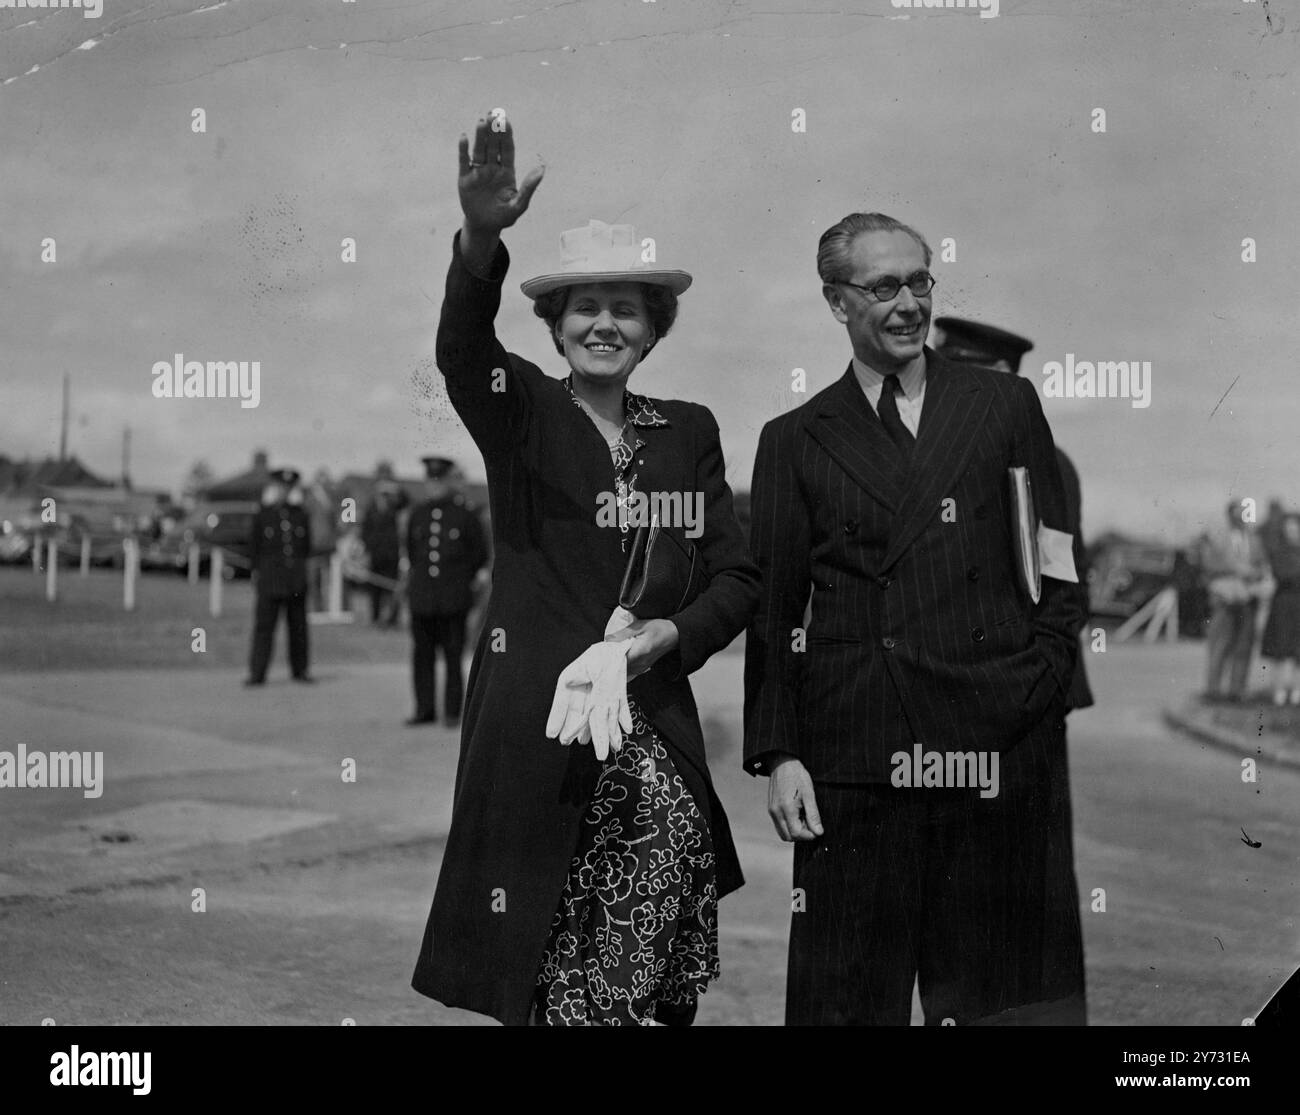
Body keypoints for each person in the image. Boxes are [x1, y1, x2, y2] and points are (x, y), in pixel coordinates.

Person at [410, 112, 760, 1026]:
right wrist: (482, 235)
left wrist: (665, 639)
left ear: (654, 327)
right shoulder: (520, 408)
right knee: (543, 947)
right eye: (585, 306)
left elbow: (738, 578)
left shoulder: (689, 430)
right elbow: (460, 349)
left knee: (649, 930)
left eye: (627, 306)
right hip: (540, 723)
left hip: (653, 722)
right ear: (556, 324)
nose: (605, 322)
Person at [744, 212, 1087, 1025]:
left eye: (921, 281)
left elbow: (1058, 566)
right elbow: (773, 610)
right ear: (837, 302)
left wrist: (1034, 680)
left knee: (1000, 1004)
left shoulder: (1004, 403)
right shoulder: (794, 438)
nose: (908, 304)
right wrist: (779, 750)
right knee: (848, 1003)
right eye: (884, 286)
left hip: (993, 745)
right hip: (856, 759)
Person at [931, 316, 1094, 711]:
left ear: (1003, 377)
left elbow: (1062, 579)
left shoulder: (1046, 462)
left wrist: (1037, 677)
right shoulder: (934, 455)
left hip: (1026, 689)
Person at [403, 456, 488, 727]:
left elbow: (479, 554)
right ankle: (424, 709)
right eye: (431, 480)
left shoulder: (465, 515)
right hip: (422, 599)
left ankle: (452, 712)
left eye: (439, 480)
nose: (435, 485)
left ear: (449, 481)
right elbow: (411, 553)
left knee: (453, 657)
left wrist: (462, 583)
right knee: (422, 657)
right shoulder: (417, 515)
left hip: (453, 599)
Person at [245, 468, 314, 686]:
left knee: (298, 628)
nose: (285, 491)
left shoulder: (300, 515)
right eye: (281, 487)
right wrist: (257, 574)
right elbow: (254, 549)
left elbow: (306, 548)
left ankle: (300, 670)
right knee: (264, 628)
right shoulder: (263, 515)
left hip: (295, 581)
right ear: (275, 488)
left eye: (288, 488)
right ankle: (258, 672)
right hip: (270, 580)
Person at [1199, 500, 1273, 703]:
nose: (1240, 518)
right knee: (1220, 645)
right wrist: (1235, 570)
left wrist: (1252, 573)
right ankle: (1213, 690)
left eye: (1244, 514)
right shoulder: (1218, 538)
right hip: (1225, 599)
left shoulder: (1254, 539)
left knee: (1244, 646)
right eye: (1237, 514)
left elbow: (1262, 567)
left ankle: (1237, 690)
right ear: (1229, 516)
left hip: (1248, 599)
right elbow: (1209, 566)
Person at [1260, 506, 1300, 704]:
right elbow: (1283, 574)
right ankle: (1279, 691)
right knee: (1281, 649)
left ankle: (1296, 690)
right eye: (1289, 529)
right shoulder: (1279, 552)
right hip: (1284, 604)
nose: (1293, 532)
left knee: (1297, 651)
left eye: (1296, 528)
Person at [361, 481, 405, 625]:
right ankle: (375, 617)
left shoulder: (394, 508)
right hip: (376, 555)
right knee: (375, 589)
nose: (383, 497)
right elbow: (365, 532)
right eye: (382, 494)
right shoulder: (371, 510)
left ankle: (392, 619)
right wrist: (368, 550)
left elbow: (405, 500)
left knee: (392, 588)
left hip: (391, 555)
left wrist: (393, 489)